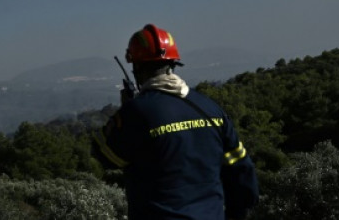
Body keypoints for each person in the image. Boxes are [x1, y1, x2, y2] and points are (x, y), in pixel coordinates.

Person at [91, 24, 259, 220]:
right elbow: (242, 172)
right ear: (172, 64)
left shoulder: (136, 112)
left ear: (137, 67)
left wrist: (124, 112)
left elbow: (105, 156)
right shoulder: (210, 108)